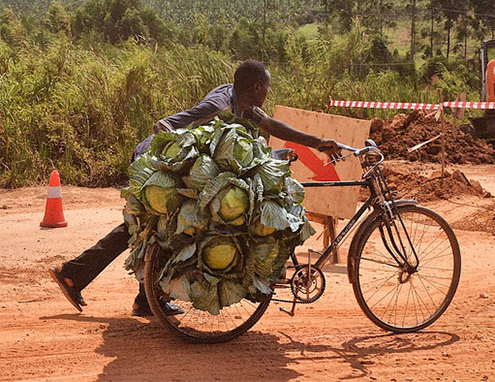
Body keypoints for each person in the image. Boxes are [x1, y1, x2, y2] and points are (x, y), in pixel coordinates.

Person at [50, 60, 342, 316]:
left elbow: (273, 126)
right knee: (159, 229)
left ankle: (131, 295)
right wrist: (170, 167)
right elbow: (164, 126)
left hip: (175, 167)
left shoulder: (245, 105)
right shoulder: (220, 106)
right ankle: (84, 277)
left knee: (155, 230)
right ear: (255, 87)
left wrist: (318, 143)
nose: (268, 93)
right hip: (154, 161)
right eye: (267, 87)